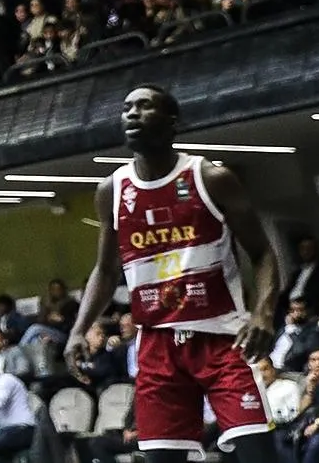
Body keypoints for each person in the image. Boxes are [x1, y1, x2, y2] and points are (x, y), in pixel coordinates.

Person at [67, 84, 280, 463]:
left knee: (258, 455)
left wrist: (263, 313)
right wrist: (78, 329)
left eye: (145, 106)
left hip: (222, 338)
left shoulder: (211, 178)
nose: (132, 114)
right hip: (157, 346)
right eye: (127, 108)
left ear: (172, 121)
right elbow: (105, 269)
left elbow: (262, 253)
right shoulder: (112, 190)